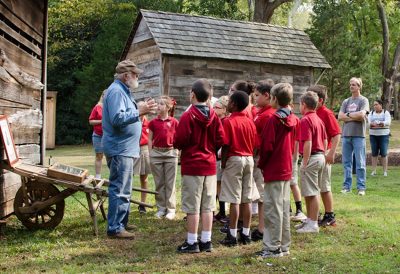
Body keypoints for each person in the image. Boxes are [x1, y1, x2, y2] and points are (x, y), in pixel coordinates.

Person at [102, 59, 157, 239]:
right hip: (120, 148)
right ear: (126, 76)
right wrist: (140, 111)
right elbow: (118, 119)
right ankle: (115, 228)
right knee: (119, 188)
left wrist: (141, 110)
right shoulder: (117, 92)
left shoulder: (122, 91)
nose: (137, 76)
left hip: (125, 148)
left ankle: (121, 222)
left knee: (125, 188)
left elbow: (126, 115)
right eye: (135, 74)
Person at [174, 79, 224, 253]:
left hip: (192, 165)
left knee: (192, 206)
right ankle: (206, 240)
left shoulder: (188, 116)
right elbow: (220, 139)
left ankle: (192, 241)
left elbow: (179, 140)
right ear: (209, 97)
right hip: (209, 165)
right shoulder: (214, 115)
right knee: (208, 205)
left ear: (192, 95)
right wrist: (210, 149)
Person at [256, 83, 299, 258]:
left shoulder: (274, 120)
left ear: (274, 99)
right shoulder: (293, 118)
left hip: (274, 167)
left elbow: (267, 146)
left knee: (272, 209)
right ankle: (284, 244)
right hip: (286, 167)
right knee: (282, 207)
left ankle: (272, 247)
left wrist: (262, 164)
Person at [219, 90, 257, 246]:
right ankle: (246, 234)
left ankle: (232, 235)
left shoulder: (228, 121)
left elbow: (226, 144)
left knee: (234, 199)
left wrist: (223, 162)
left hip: (234, 158)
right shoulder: (250, 121)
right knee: (246, 198)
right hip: (249, 158)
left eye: (229, 101)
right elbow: (255, 145)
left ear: (233, 104)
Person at [296, 91, 327, 234]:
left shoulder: (305, 120)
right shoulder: (318, 119)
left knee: (312, 192)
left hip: (312, 157)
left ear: (304, 104)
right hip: (320, 156)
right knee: (309, 191)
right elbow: (325, 140)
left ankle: (313, 224)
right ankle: (309, 220)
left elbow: (307, 142)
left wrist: (305, 162)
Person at [312, 85, 341, 227]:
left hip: (324, 154)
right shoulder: (312, 113)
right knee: (315, 187)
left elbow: (336, 135)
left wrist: (331, 153)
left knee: (324, 186)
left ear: (321, 100)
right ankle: (314, 215)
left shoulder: (326, 113)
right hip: (314, 155)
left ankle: (330, 215)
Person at [251, 79, 276, 242]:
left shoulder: (267, 115)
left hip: (261, 157)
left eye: (257, 95)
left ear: (267, 96)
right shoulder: (261, 112)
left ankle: (262, 227)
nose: (254, 98)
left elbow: (265, 141)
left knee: (262, 195)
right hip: (258, 156)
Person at [148, 96, 179, 220]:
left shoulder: (174, 122)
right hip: (156, 154)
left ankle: (171, 209)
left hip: (171, 154)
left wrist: (177, 151)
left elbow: (178, 138)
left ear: (168, 107)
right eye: (158, 104)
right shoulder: (153, 122)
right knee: (159, 183)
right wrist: (151, 152)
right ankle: (161, 208)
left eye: (161, 104)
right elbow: (149, 138)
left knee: (170, 183)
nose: (158, 106)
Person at [338, 77, 370, 196]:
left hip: (359, 136)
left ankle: (361, 188)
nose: (351, 86)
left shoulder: (364, 100)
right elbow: (340, 117)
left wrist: (347, 115)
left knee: (360, 163)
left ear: (359, 86)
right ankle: (347, 187)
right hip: (346, 135)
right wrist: (353, 115)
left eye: (354, 84)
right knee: (347, 163)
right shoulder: (346, 101)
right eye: (350, 84)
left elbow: (362, 115)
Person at [213, 96, 230, 223]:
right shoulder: (216, 120)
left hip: (220, 157)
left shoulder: (225, 121)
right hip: (215, 156)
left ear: (224, 109)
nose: (213, 109)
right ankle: (220, 211)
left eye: (216, 107)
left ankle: (223, 211)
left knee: (220, 185)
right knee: (217, 185)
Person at [133, 115, 151, 214]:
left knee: (144, 178)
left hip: (144, 149)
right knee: (128, 178)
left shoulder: (148, 124)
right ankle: (125, 202)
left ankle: (142, 204)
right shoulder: (132, 122)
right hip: (132, 148)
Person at [368, 99, 391, 177]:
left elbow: (388, 122)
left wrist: (382, 123)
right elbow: (368, 123)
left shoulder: (386, 113)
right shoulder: (371, 113)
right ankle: (373, 171)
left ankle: (385, 171)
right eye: (374, 105)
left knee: (384, 154)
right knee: (374, 153)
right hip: (373, 135)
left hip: (384, 135)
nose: (375, 106)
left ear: (381, 105)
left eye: (376, 104)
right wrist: (373, 124)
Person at [89, 90, 106, 179]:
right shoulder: (97, 107)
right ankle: (98, 177)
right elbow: (91, 121)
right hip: (98, 135)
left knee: (111, 156)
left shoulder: (112, 107)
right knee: (99, 156)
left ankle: (113, 176)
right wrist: (101, 121)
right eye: (104, 95)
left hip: (109, 136)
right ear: (102, 96)